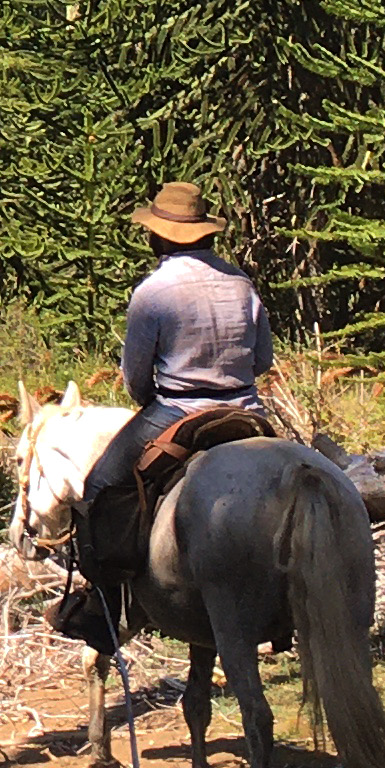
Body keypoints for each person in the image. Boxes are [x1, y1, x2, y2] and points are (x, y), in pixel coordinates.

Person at [71, 181, 274, 645]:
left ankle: (104, 606)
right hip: (247, 409)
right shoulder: (241, 283)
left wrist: (151, 396)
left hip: (179, 409)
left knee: (99, 486)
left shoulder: (153, 292)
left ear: (159, 236)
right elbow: (262, 360)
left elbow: (136, 378)